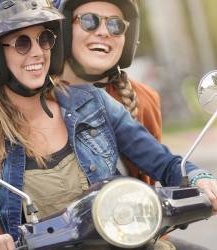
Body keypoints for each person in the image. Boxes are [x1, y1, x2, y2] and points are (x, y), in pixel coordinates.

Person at [0, 0, 217, 249]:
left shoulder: (91, 101)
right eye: (22, 43)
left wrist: (203, 180)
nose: (38, 52)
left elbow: (163, 162)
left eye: (44, 39)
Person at [56, 0, 161, 185]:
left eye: (115, 24)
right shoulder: (36, 103)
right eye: (89, 21)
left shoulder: (143, 97)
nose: (104, 32)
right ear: (63, 30)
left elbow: (156, 176)